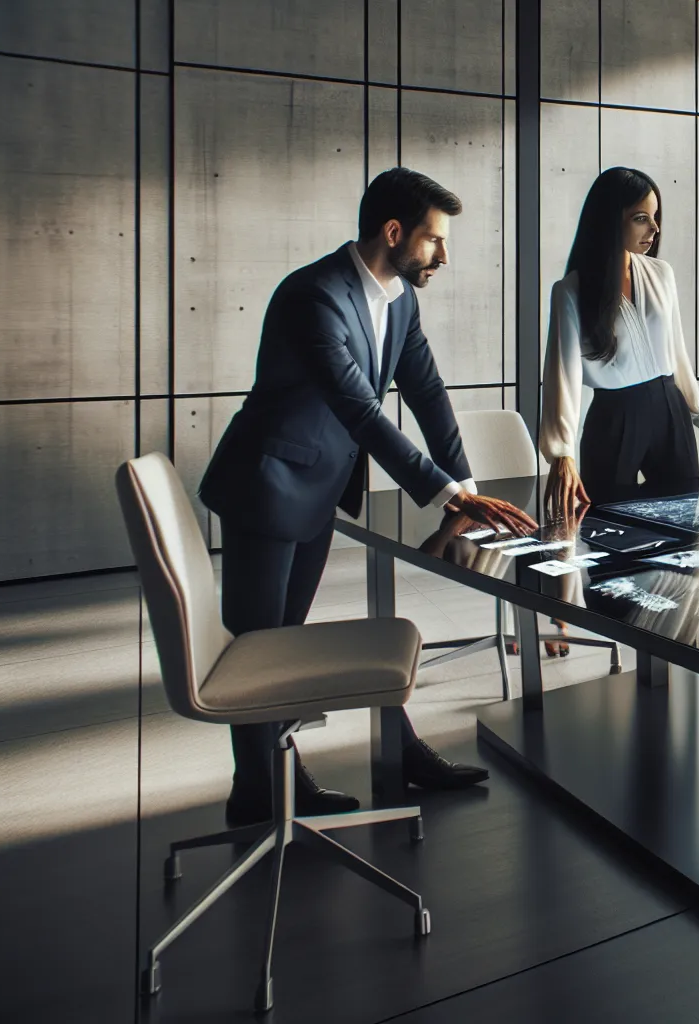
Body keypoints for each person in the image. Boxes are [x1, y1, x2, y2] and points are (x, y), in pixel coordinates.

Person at [200, 167, 538, 827]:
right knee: (259, 648)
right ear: (394, 232)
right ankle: (262, 793)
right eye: (435, 240)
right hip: (264, 488)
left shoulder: (401, 299)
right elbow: (360, 410)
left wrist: (462, 490)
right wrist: (440, 491)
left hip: (318, 489)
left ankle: (323, 770)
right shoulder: (313, 295)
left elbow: (428, 392)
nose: (444, 255)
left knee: (282, 644)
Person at [541, 167, 699, 517]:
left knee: (681, 529)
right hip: (613, 420)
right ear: (610, 219)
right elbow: (562, 376)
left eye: (655, 218)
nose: (654, 229)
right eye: (641, 218)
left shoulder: (661, 273)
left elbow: (678, 354)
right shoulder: (571, 292)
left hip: (671, 412)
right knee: (610, 532)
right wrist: (562, 452)